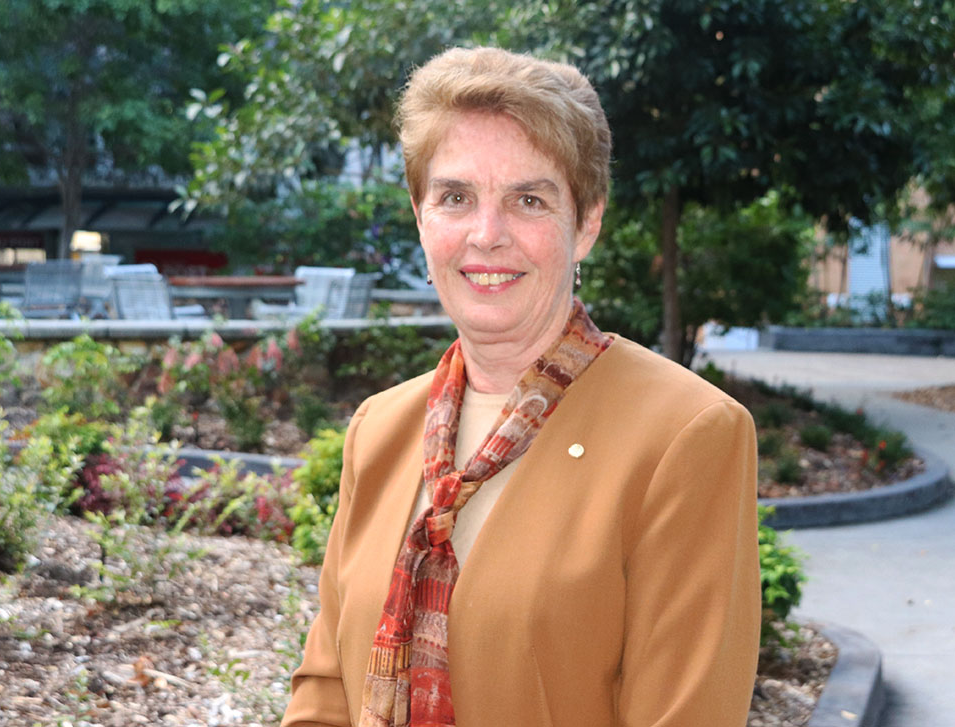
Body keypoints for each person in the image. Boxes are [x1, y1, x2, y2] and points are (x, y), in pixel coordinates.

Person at [282, 47, 759, 727]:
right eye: (455, 197)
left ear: (586, 221)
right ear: (422, 219)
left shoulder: (687, 434)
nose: (487, 234)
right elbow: (326, 690)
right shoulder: (380, 428)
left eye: (528, 199)